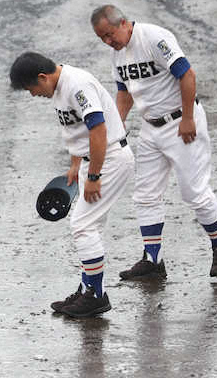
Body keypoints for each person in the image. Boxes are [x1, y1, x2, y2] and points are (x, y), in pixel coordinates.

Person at [91, 5, 217, 279]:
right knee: (145, 195)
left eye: (110, 35)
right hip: (150, 128)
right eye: (102, 39)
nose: (108, 42)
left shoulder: (154, 37)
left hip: (181, 123)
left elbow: (187, 74)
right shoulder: (117, 55)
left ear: (123, 22)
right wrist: (117, 127)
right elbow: (124, 93)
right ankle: (153, 261)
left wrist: (189, 118)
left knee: (194, 192)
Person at [9, 51, 134, 318]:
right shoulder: (58, 89)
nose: (33, 94)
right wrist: (77, 165)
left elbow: (98, 129)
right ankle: (88, 288)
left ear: (43, 77)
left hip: (109, 158)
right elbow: (78, 130)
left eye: (32, 88)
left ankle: (96, 296)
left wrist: (93, 176)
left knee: (82, 225)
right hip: (96, 160)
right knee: (91, 226)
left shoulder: (77, 84)